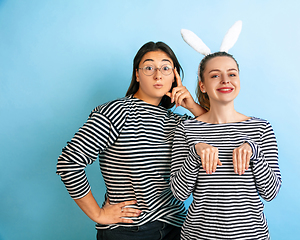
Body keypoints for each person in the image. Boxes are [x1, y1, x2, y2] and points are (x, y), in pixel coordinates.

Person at [56, 41, 206, 240]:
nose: (158, 74)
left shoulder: (180, 122)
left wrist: (193, 106)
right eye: (149, 67)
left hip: (177, 228)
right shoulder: (116, 112)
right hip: (129, 231)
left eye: (166, 68)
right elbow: (68, 162)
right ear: (137, 74)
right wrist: (97, 214)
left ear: (175, 76)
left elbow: (219, 137)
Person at [170, 51, 282, 239]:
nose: (225, 80)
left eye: (231, 74)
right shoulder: (186, 130)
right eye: (215, 75)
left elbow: (270, 192)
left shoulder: (261, 128)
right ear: (202, 86)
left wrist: (253, 151)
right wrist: (194, 153)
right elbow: (179, 193)